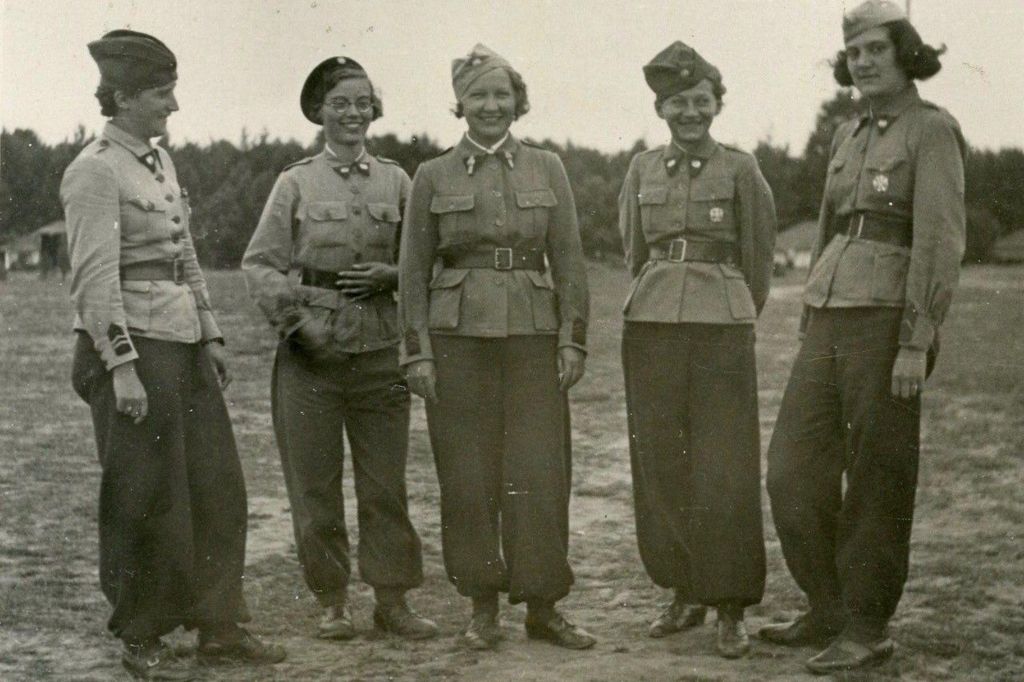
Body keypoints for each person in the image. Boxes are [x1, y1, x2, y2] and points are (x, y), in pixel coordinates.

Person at [61, 30, 285, 680]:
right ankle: (141, 636)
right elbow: (94, 282)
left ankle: (219, 625)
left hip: (182, 345)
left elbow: (183, 253)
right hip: (132, 349)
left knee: (218, 489)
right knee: (143, 495)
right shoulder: (95, 169)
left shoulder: (158, 162)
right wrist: (121, 366)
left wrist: (210, 333)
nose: (174, 105)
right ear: (124, 95)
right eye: (162, 93)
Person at [760, 0, 966, 674]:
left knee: (878, 478)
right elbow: (828, 230)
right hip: (831, 311)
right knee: (791, 470)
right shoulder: (847, 136)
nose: (864, 61)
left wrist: (917, 336)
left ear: (906, 54)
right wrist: (810, 308)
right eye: (854, 53)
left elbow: (938, 237)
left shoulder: (931, 131)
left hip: (887, 321)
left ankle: (868, 622)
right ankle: (826, 604)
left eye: (877, 49)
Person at [398, 44, 593, 651]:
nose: (490, 105)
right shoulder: (432, 174)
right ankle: (481, 606)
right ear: (460, 105)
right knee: (468, 474)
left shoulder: (548, 167)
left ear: (518, 102)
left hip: (534, 338)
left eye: (501, 94)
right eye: (478, 95)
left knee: (539, 471)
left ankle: (543, 606)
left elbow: (570, 261)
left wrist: (573, 340)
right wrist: (417, 352)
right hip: (457, 341)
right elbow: (411, 271)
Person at [241, 57, 437, 642]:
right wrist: (296, 323)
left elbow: (428, 262)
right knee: (314, 485)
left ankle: (393, 600)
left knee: (385, 485)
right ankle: (331, 601)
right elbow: (260, 264)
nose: (352, 114)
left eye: (362, 103)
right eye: (340, 104)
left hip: (381, 356)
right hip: (311, 361)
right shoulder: (295, 182)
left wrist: (393, 275)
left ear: (375, 110)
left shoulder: (399, 181)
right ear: (319, 113)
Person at [618, 41, 776, 659]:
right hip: (653, 321)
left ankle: (731, 603)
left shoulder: (741, 168)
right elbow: (634, 250)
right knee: (661, 459)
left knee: (725, 465)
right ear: (662, 109)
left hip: (721, 327)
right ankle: (682, 588)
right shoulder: (640, 170)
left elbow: (758, 258)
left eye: (701, 100)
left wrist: (735, 308)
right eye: (679, 102)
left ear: (716, 104)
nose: (691, 112)